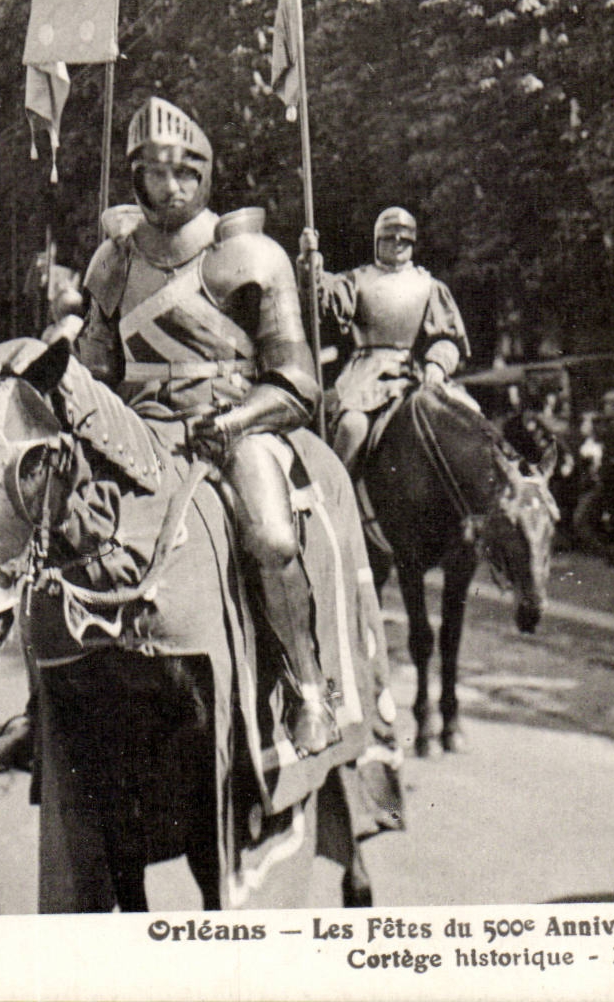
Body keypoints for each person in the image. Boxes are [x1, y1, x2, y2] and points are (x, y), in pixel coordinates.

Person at [59, 95, 337, 760]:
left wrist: (239, 417)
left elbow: (298, 382)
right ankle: (40, 702)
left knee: (269, 535)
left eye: (186, 172)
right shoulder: (114, 261)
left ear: (207, 173)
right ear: (136, 178)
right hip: (138, 426)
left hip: (235, 425)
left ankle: (308, 691)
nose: (172, 185)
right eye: (156, 173)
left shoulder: (251, 255)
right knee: (56, 519)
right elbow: (96, 369)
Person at [298, 206, 471, 474]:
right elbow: (325, 300)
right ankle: (335, 499)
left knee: (470, 415)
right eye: (390, 237)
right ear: (378, 241)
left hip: (415, 374)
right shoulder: (358, 280)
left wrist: (437, 365)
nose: (398, 243)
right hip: (368, 376)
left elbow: (447, 337)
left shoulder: (429, 285)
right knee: (352, 427)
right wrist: (312, 265)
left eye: (404, 238)